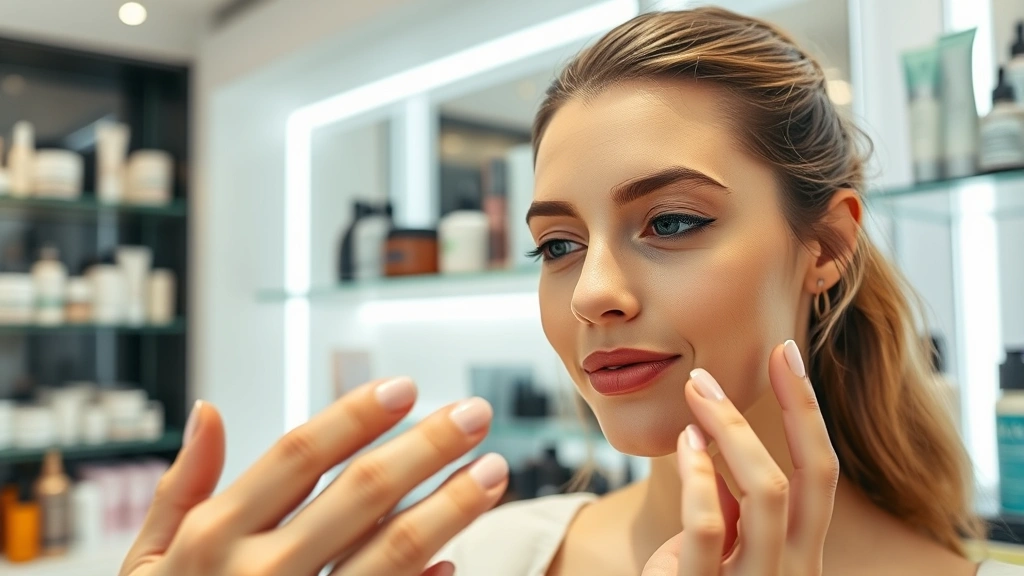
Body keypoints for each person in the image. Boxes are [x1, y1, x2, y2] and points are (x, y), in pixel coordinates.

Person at [119, 7, 1023, 576]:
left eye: (671, 222)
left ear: (824, 245)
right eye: (557, 244)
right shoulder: (476, 554)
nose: (593, 294)